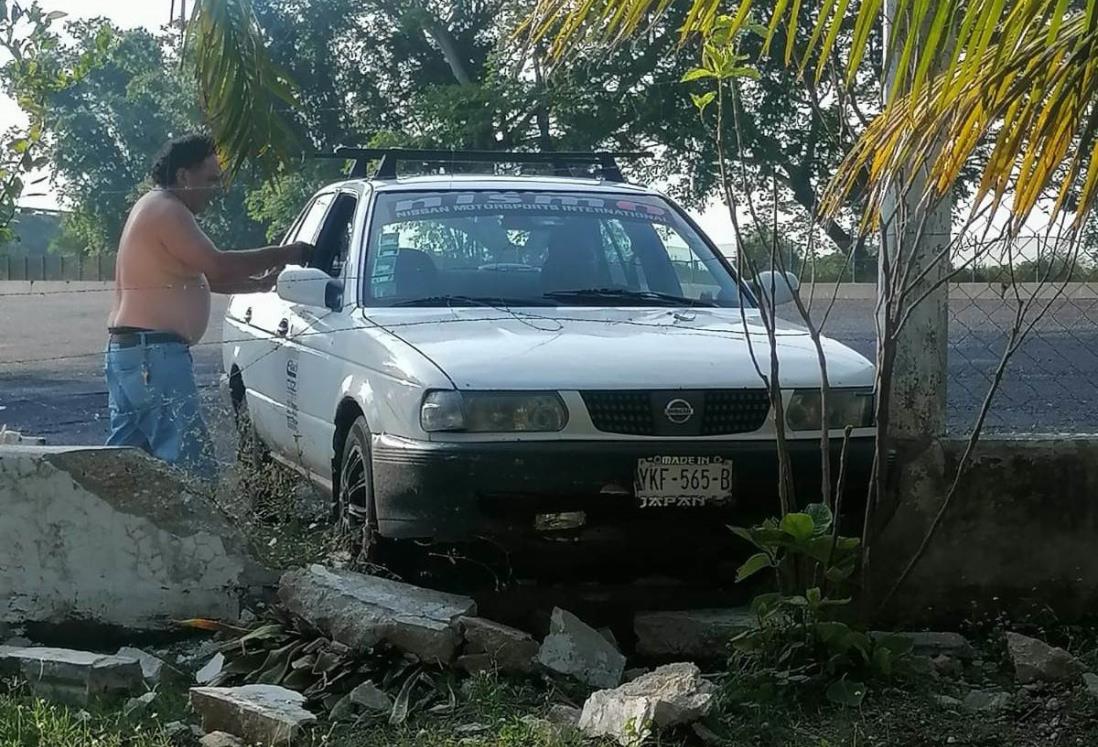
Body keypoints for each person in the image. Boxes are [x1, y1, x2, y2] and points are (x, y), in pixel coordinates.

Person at [106, 133, 312, 481]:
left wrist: (258, 284)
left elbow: (201, 278)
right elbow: (217, 265)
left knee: (126, 468)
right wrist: (289, 253)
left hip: (134, 353)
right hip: (154, 357)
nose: (216, 189)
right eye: (211, 179)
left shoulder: (153, 206)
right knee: (190, 468)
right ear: (185, 175)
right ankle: (192, 536)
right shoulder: (168, 210)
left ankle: (114, 532)